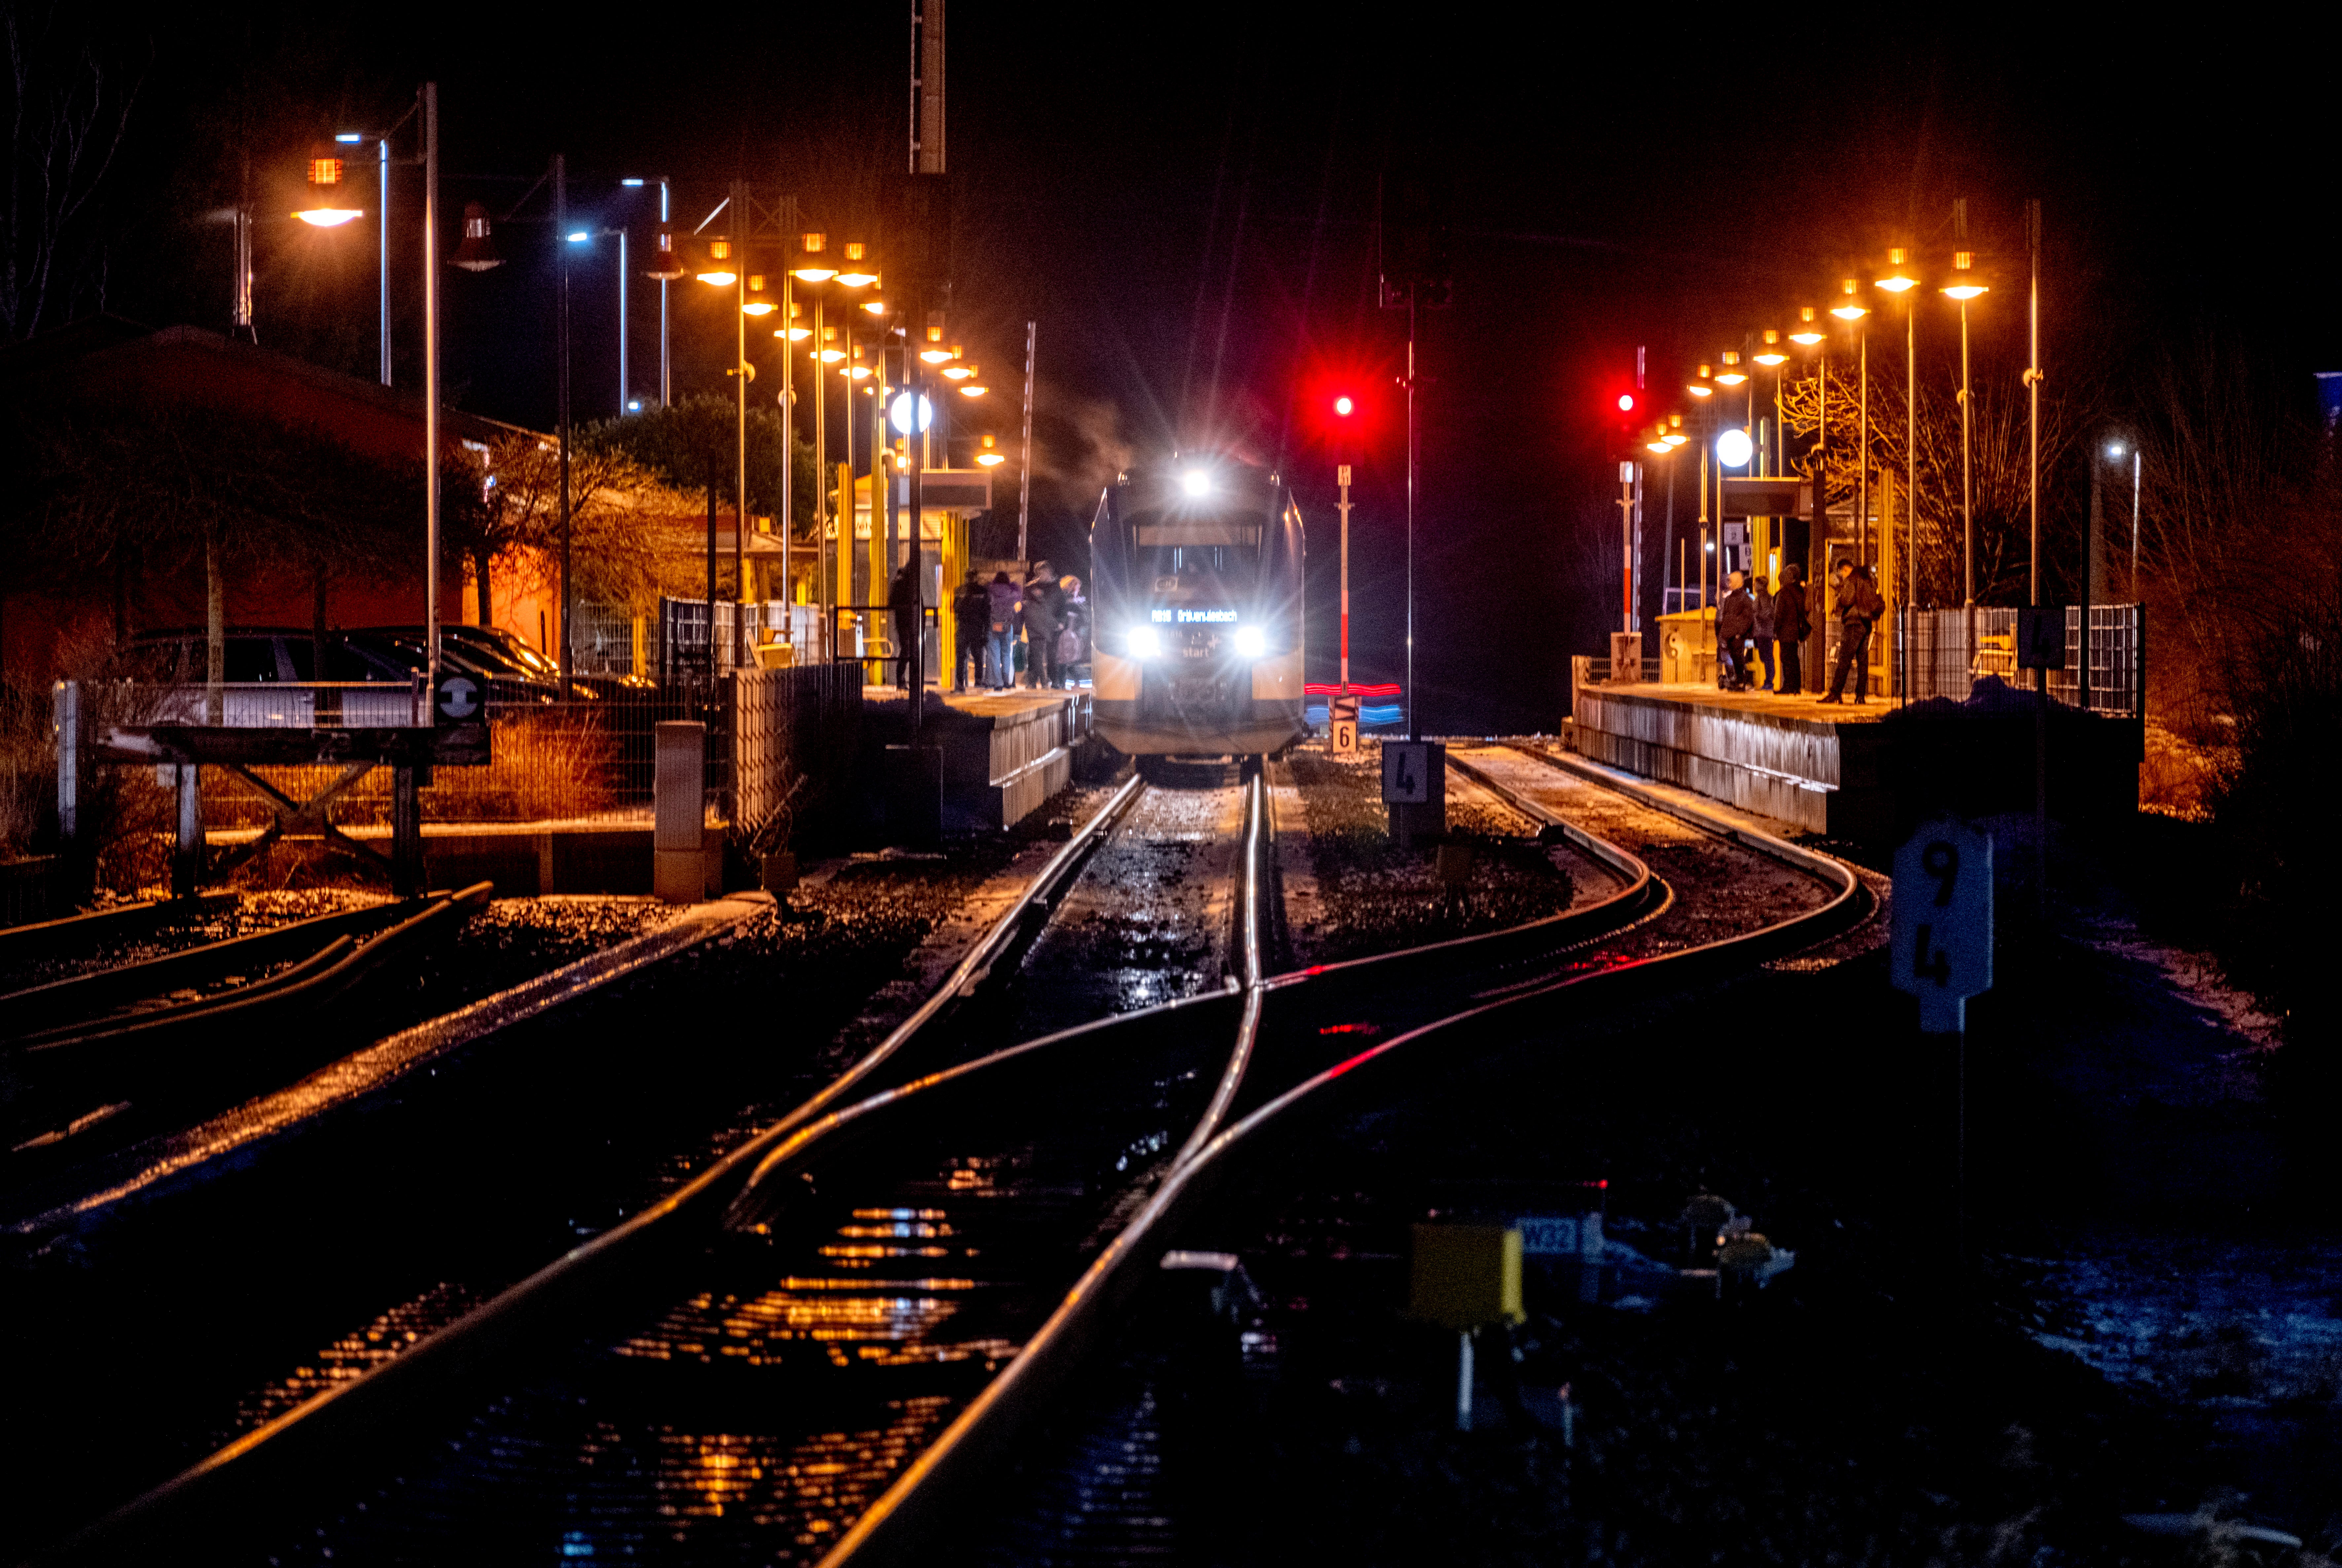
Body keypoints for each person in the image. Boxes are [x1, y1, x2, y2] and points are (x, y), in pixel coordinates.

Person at [1819, 561, 1883, 705]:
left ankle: (1835, 693)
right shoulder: (1869, 580)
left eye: (1842, 573)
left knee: (1844, 660)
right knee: (1863, 662)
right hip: (1866, 624)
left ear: (1846, 569)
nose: (1842, 576)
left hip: (1854, 623)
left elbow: (1847, 600)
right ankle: (1860, 696)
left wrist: (1840, 598)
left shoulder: (1852, 580)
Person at [1023, 559, 1064, 689]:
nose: (1042, 576)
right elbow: (1026, 605)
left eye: (1045, 573)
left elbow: (1062, 607)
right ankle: (1032, 681)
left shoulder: (1057, 588)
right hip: (1036, 625)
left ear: (1050, 572)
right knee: (1034, 654)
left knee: (1052, 654)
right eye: (1040, 573)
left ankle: (1054, 680)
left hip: (1053, 626)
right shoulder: (1031, 587)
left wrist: (1062, 622)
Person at [1773, 562, 1809, 696]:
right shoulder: (1799, 591)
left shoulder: (1784, 593)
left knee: (1787, 658)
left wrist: (1775, 629)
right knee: (1794, 659)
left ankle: (1789, 686)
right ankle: (1796, 687)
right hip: (1795, 631)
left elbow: (1779, 614)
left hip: (1786, 631)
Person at [1715, 570, 1755, 690]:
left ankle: (1740, 682)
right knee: (1730, 659)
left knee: (1738, 659)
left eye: (1731, 581)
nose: (1729, 583)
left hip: (1736, 635)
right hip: (1728, 635)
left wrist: (1740, 633)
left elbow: (1748, 618)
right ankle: (1735, 681)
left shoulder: (1745, 599)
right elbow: (1726, 617)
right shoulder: (1731, 598)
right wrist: (1724, 633)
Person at [951, 569, 987, 693]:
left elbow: (955, 609)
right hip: (977, 627)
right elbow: (986, 613)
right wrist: (986, 631)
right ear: (976, 577)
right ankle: (978, 682)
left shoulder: (959, 591)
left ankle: (960, 683)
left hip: (963, 627)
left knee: (961, 656)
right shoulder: (983, 591)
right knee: (978, 656)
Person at [985, 570, 1020, 689]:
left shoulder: (990, 591)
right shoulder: (1012, 593)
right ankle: (1006, 681)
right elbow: (1019, 599)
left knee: (995, 655)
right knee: (1006, 654)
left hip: (993, 626)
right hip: (1007, 626)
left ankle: (998, 683)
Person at [888, 561, 921, 692]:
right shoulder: (904, 581)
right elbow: (893, 602)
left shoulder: (906, 580)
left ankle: (904, 681)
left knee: (910, 650)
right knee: (907, 650)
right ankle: (901, 681)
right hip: (905, 621)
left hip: (909, 620)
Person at [1058, 574, 1090, 684]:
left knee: (1072, 657)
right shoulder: (1065, 600)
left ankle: (1069, 679)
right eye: (1076, 587)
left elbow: (1084, 618)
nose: (1077, 590)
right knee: (1065, 657)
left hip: (1075, 632)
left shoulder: (1079, 601)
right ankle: (1065, 680)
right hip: (1066, 632)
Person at [1749, 572, 1777, 692]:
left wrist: (1756, 615)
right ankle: (1769, 681)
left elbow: (1767, 614)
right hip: (1762, 632)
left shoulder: (1764, 598)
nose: (1754, 586)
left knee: (1767, 657)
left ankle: (1769, 682)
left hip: (1764, 632)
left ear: (1762, 585)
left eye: (1756, 584)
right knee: (1765, 656)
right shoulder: (1761, 597)